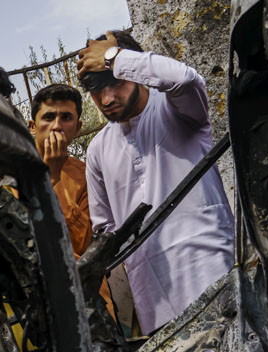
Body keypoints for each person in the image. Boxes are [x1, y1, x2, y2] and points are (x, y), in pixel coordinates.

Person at [77, 30, 233, 334]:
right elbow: (105, 232)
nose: (107, 99)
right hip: (154, 301)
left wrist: (113, 57)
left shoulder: (177, 110)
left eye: (116, 82)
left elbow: (186, 80)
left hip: (212, 274)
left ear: (131, 70)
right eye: (96, 90)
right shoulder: (98, 149)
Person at [28, 83, 115, 318]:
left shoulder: (88, 175)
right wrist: (50, 175)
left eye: (65, 117)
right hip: (35, 306)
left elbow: (82, 248)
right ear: (33, 126)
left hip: (87, 301)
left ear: (77, 127)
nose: (56, 126)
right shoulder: (13, 173)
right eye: (48, 117)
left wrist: (54, 175)